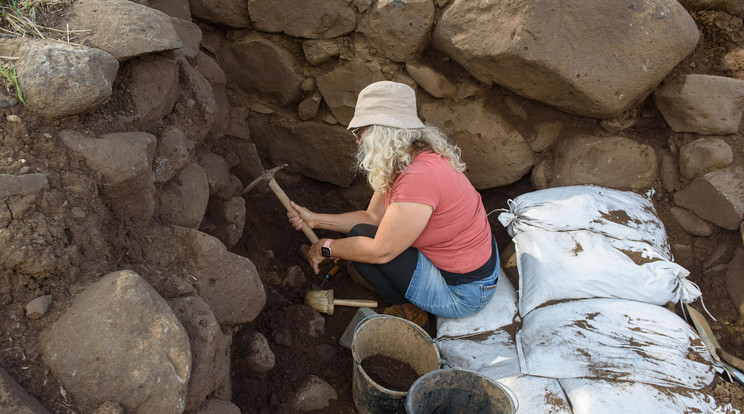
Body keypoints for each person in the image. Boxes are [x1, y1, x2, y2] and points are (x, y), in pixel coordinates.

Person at [288, 80, 499, 327]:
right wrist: (316, 219)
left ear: (382, 132)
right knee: (360, 237)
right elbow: (372, 219)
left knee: (363, 250)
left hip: (464, 293)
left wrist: (327, 248)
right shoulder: (408, 160)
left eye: (360, 132)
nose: (357, 141)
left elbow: (380, 251)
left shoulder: (418, 178)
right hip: (467, 265)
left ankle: (409, 310)